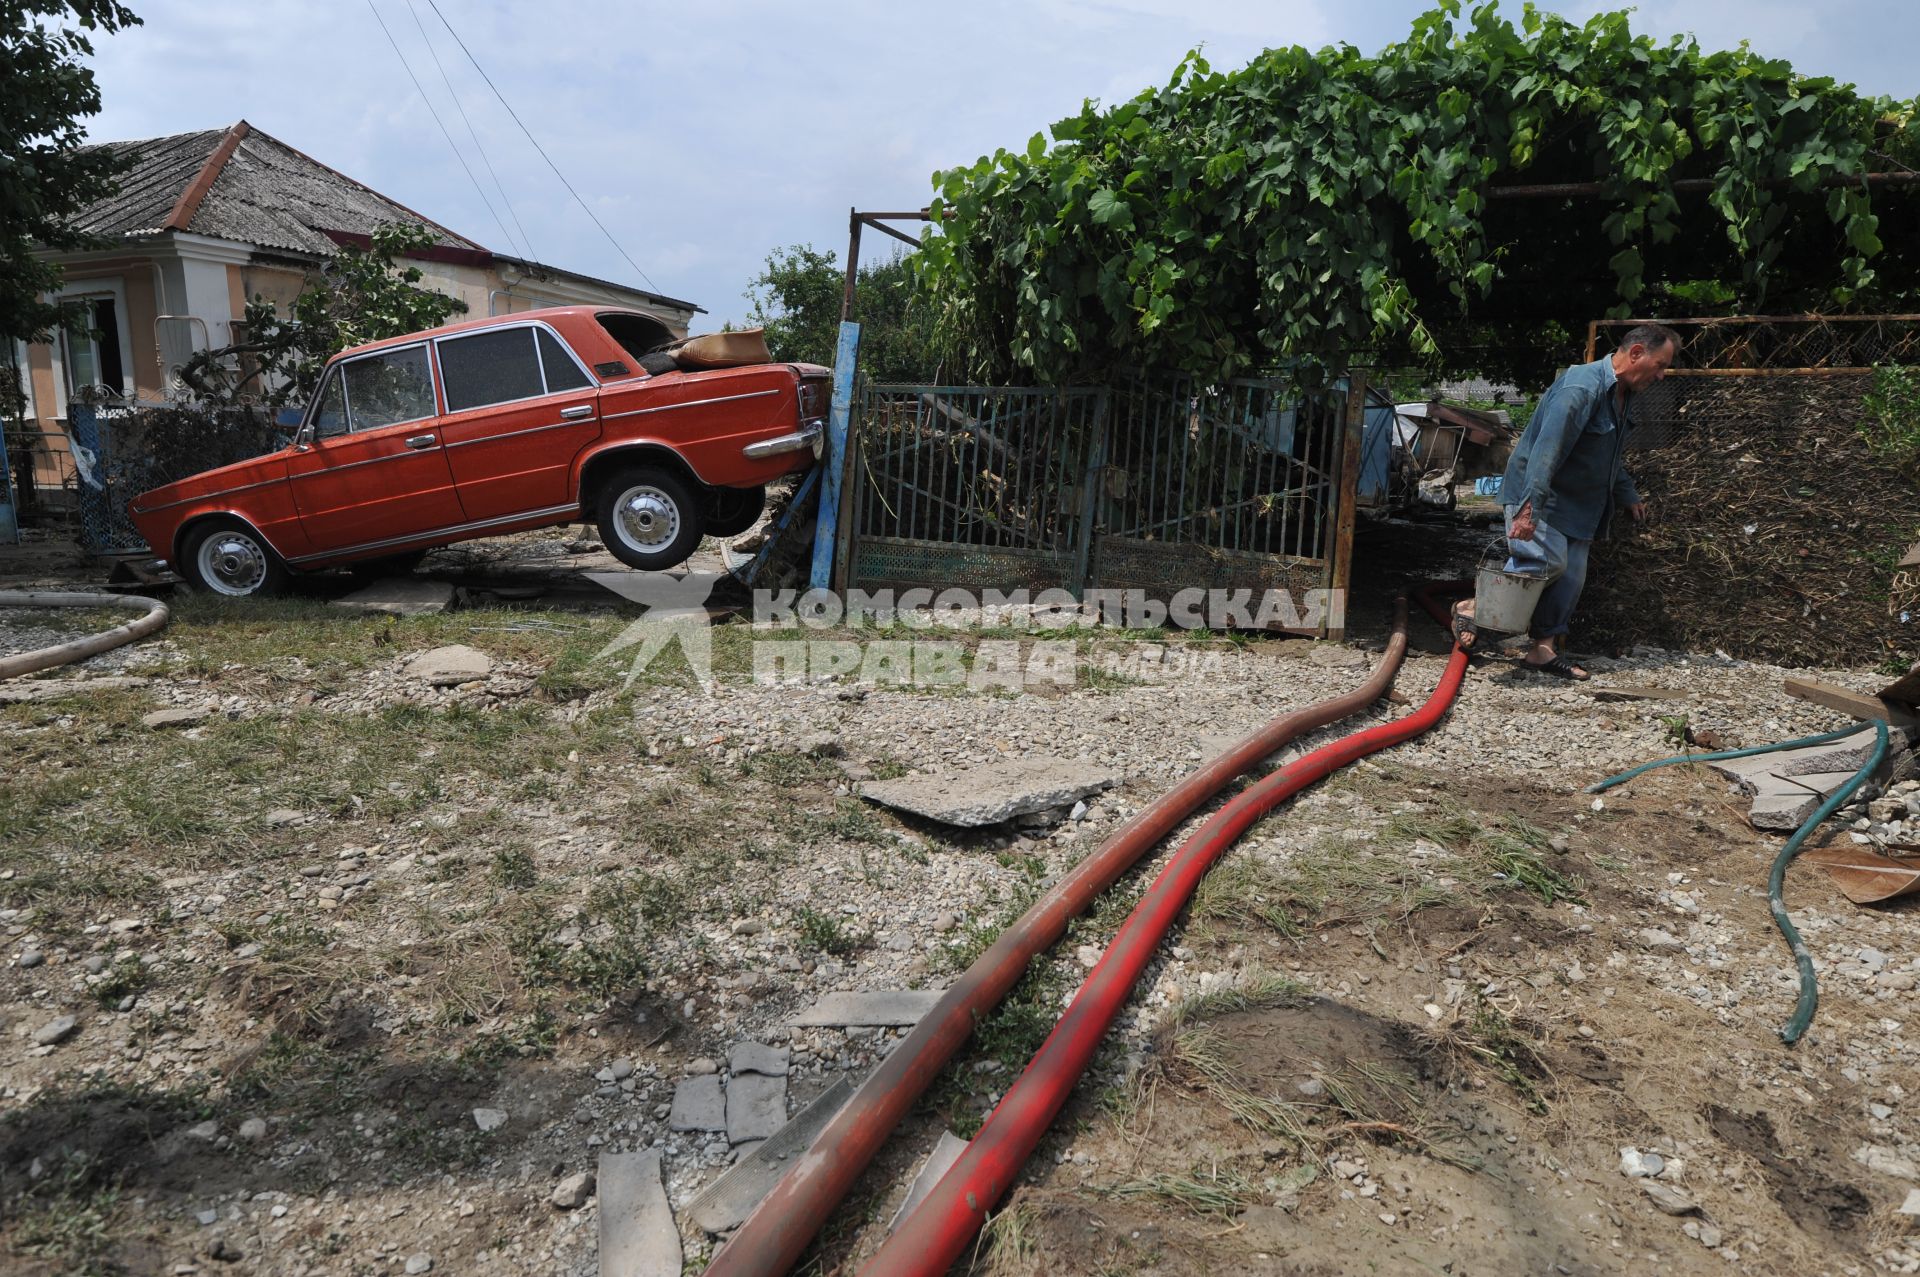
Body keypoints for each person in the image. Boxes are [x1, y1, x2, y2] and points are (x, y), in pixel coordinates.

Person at [1454, 324, 1680, 679]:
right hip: (1544, 496)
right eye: (1660, 364)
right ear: (1636, 352)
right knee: (1544, 561)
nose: (1662, 375)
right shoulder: (1581, 388)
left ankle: (1542, 650)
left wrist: (1626, 493)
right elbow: (1547, 450)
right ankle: (1474, 607)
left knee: (1571, 577)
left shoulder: (1624, 394)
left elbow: (1608, 454)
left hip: (1580, 506)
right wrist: (1529, 509)